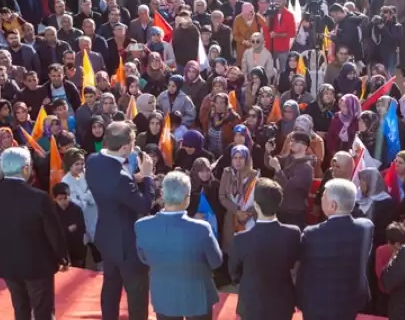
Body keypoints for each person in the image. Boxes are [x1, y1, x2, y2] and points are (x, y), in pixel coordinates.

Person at [0, 147, 68, 320]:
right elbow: (53, 232)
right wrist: (62, 257)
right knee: (42, 311)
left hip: (8, 262)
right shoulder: (39, 197)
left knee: (20, 308)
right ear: (25, 168)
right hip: (38, 265)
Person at [85, 121, 154, 320]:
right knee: (137, 292)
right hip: (127, 244)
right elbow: (143, 206)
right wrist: (148, 177)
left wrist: (134, 179)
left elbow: (114, 188)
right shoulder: (121, 179)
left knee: (111, 286)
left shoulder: (93, 160)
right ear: (125, 147)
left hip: (105, 236)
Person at [135, 171, 222, 320]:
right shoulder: (201, 228)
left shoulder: (142, 226)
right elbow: (216, 261)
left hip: (163, 294)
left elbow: (144, 258)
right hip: (197, 296)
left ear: (162, 194)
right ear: (187, 198)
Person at [296, 178, 373, 320]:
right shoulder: (365, 228)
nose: (320, 200)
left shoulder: (312, 234)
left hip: (317, 305)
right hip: (350, 303)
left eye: (323, 196)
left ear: (333, 205)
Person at [228, 178, 301, 320]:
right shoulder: (293, 233)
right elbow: (294, 262)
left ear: (255, 205)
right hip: (282, 303)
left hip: (252, 303)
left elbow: (234, 273)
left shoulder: (241, 239)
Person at [267, 130, 315, 230]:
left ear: (304, 146)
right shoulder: (289, 159)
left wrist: (278, 170)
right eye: (291, 141)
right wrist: (268, 151)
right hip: (281, 209)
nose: (291, 143)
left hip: (294, 213)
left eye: (295, 141)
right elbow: (269, 164)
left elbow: (288, 188)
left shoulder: (306, 168)